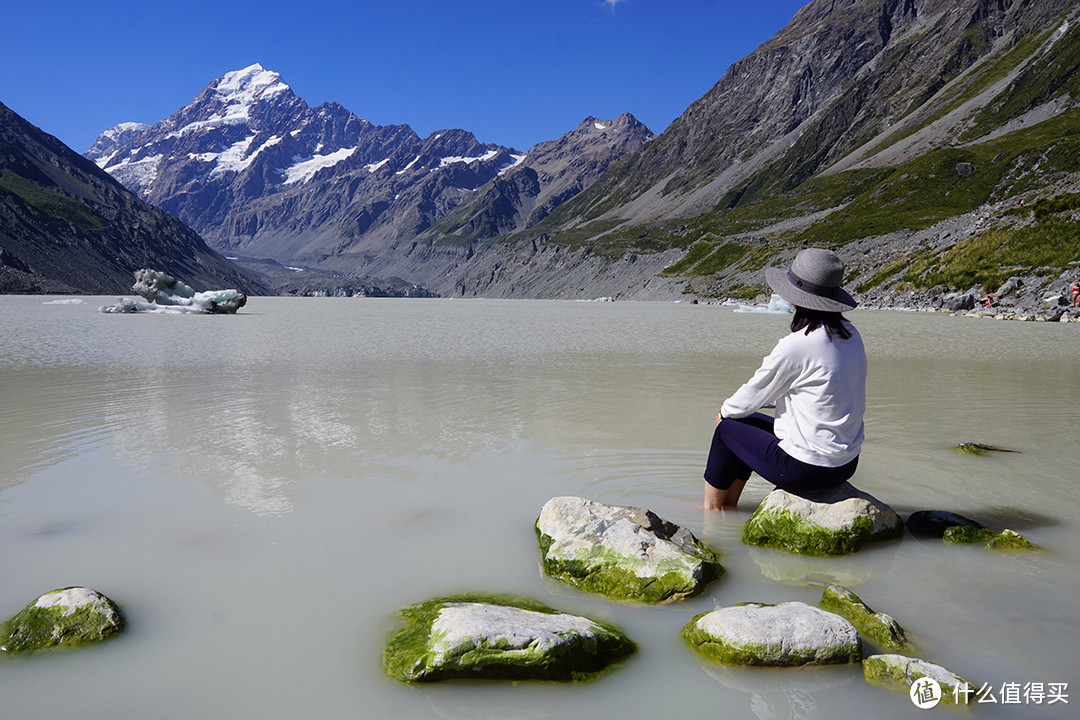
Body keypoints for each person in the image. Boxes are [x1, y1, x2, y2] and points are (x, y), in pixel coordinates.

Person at [704, 248, 867, 510]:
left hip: (808, 469)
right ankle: (729, 506)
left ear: (797, 299)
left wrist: (724, 411)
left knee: (727, 428)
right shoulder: (851, 335)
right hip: (846, 464)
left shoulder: (800, 344)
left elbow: (757, 390)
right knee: (744, 421)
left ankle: (711, 512)